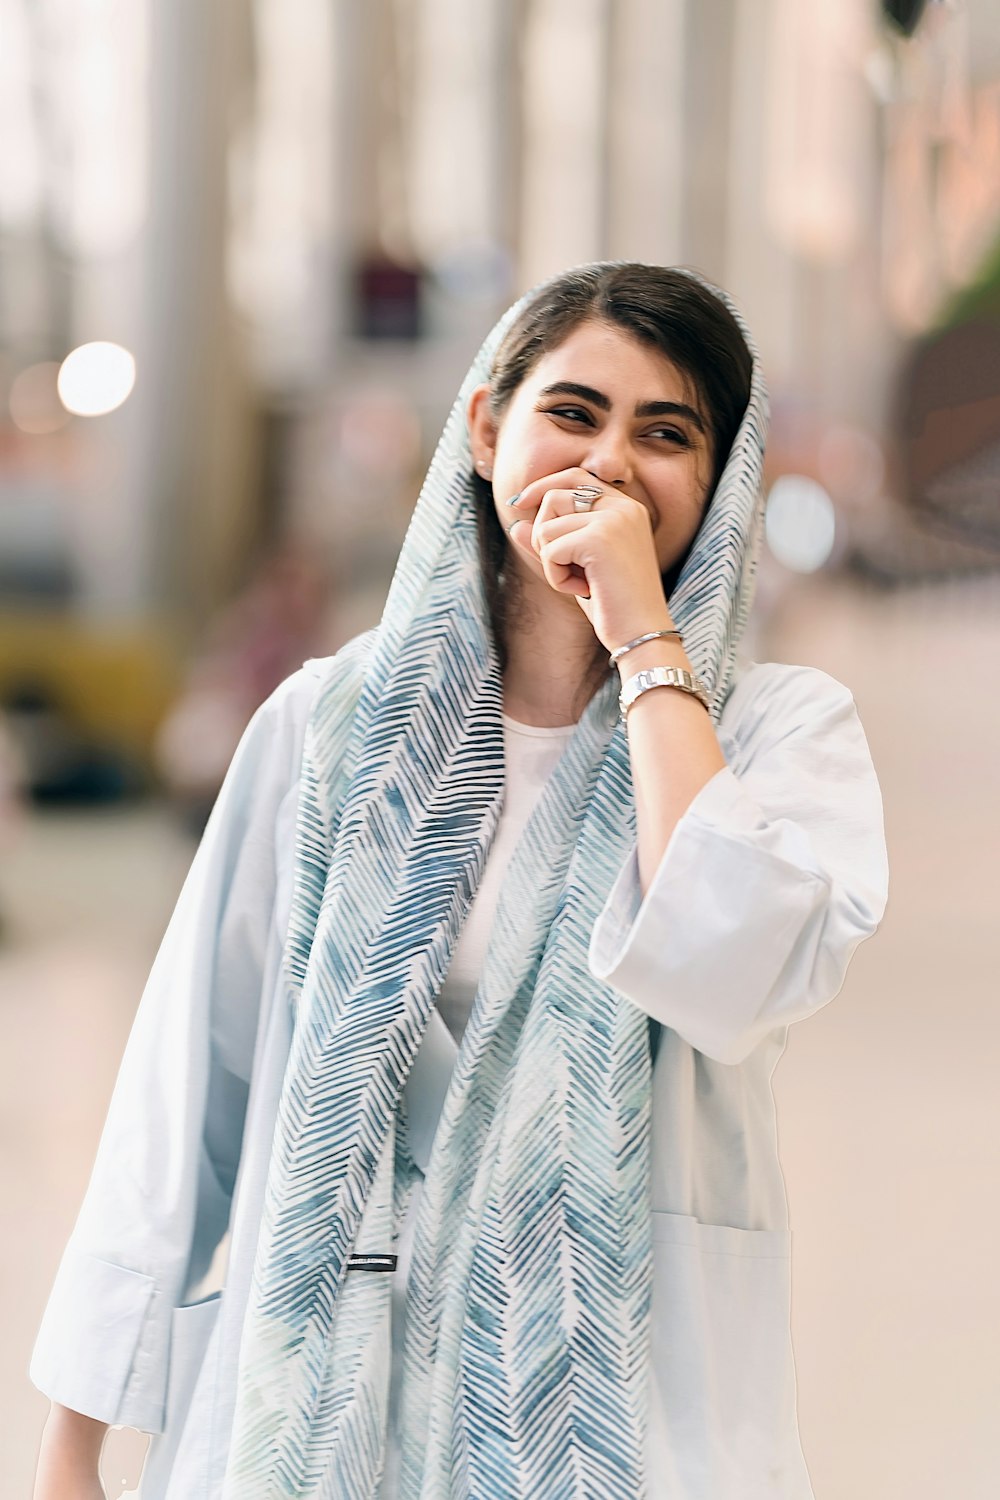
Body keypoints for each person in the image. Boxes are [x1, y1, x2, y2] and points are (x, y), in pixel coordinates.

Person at [30, 262, 888, 1500]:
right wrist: (73, 1443)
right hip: (319, 1416)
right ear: (488, 430)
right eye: (573, 412)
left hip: (620, 1419)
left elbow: (735, 965)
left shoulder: (774, 731)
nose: (607, 462)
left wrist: (646, 641)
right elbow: (189, 1084)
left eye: (666, 434)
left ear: (718, 486)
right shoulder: (328, 727)